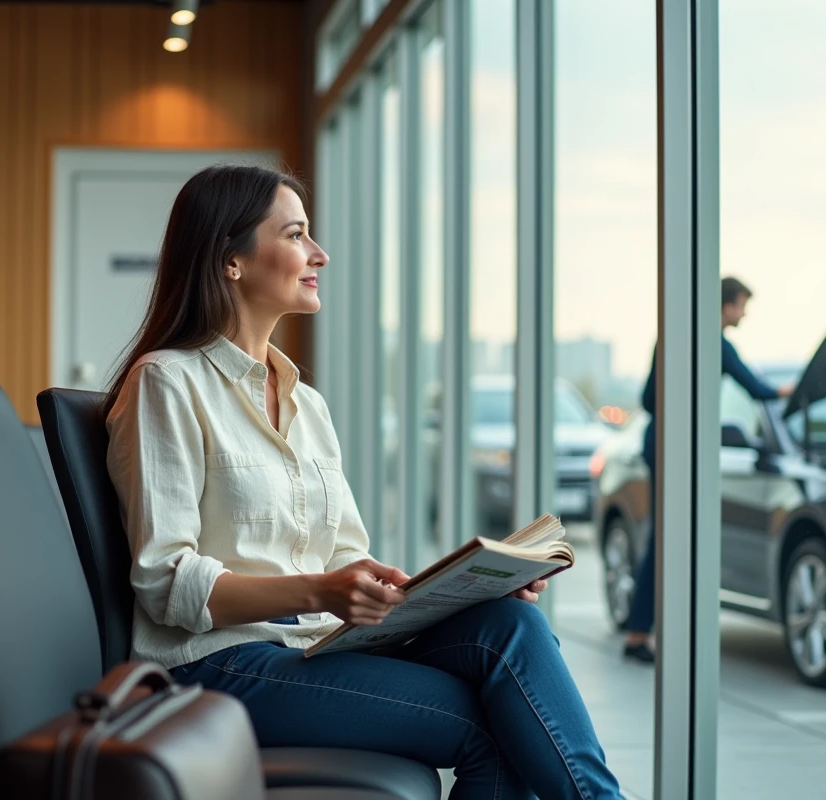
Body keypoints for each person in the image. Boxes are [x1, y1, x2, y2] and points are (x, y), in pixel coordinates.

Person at [104, 165, 622, 799]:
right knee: (500, 726)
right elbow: (166, 583)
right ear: (230, 260)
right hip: (218, 666)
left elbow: (345, 556)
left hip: (311, 647)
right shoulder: (167, 382)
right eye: (295, 235)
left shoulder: (307, 405)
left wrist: (455, 588)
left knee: (511, 626)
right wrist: (323, 587)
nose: (318, 254)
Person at [623, 276, 793, 663]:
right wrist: (790, 391)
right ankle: (641, 633)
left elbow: (648, 399)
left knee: (666, 538)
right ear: (727, 305)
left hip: (659, 442)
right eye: (742, 306)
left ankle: (641, 630)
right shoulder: (715, 343)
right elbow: (758, 388)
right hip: (677, 449)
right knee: (672, 540)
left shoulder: (671, 336)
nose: (744, 314)